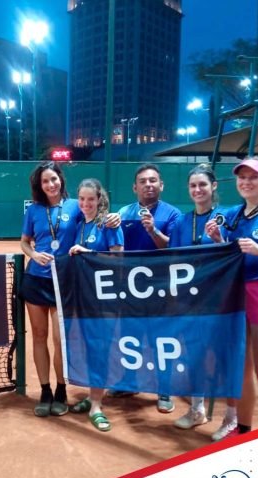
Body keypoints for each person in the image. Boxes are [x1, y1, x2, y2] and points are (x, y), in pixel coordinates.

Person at [206, 157, 258, 436]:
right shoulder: (233, 214)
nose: (246, 182)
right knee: (241, 368)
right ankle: (244, 431)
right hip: (237, 295)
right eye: (242, 177)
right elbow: (232, 254)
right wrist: (218, 240)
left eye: (254, 177)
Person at [169, 164, 238, 440]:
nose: (197, 190)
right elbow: (173, 259)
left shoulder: (228, 216)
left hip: (221, 299)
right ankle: (197, 409)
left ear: (213, 186)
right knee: (194, 354)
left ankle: (231, 418)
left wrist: (220, 239)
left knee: (223, 356)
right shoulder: (182, 222)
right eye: (193, 185)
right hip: (190, 299)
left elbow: (235, 253)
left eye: (202, 185)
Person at [111, 163, 181, 413]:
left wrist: (153, 230)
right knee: (130, 337)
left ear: (161, 185)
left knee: (161, 340)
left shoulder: (173, 215)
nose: (148, 185)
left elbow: (172, 248)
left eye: (153, 180)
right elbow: (114, 246)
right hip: (130, 288)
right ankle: (129, 382)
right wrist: (108, 223)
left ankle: (164, 389)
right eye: (143, 181)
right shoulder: (124, 213)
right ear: (135, 187)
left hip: (161, 289)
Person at [20, 162, 81, 417]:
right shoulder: (33, 210)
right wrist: (34, 254)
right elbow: (25, 242)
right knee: (39, 335)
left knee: (59, 339)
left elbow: (94, 220)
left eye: (53, 179)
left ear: (61, 180)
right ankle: (45, 390)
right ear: (40, 185)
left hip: (63, 281)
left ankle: (61, 389)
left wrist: (112, 218)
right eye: (45, 181)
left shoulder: (76, 206)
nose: (50, 184)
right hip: (36, 279)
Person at [68, 178, 124, 431]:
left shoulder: (108, 224)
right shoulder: (80, 225)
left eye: (91, 199)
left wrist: (88, 253)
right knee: (90, 348)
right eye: (82, 199)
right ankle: (93, 396)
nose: (85, 203)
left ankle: (97, 406)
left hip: (106, 299)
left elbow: (119, 258)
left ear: (99, 199)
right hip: (84, 296)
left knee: (100, 349)